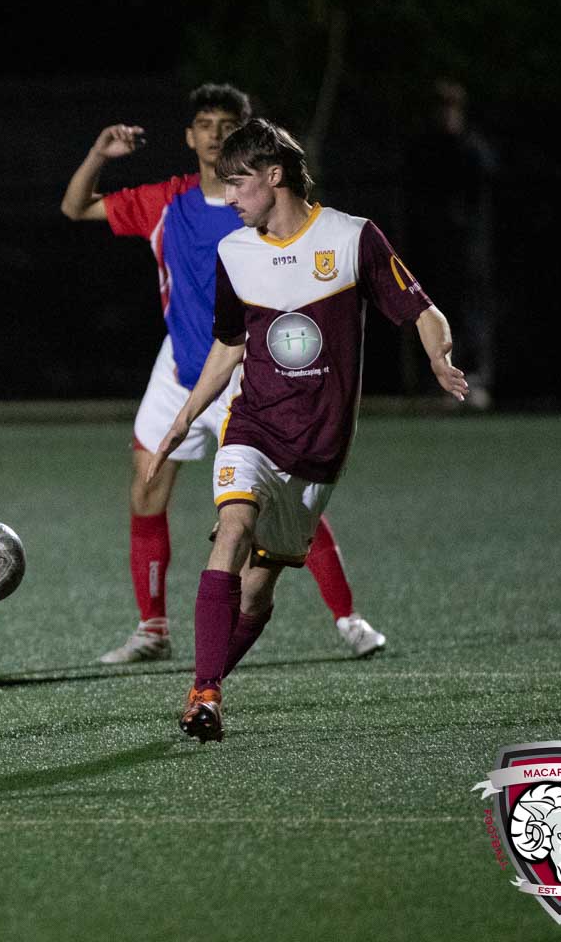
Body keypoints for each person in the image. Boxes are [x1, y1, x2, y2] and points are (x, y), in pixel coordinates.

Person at [147, 119, 468, 742]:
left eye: (237, 183)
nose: (229, 198)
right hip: (253, 424)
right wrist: (183, 419)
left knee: (256, 594)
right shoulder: (234, 253)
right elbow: (229, 345)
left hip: (319, 447)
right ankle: (207, 693)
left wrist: (439, 356)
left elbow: (422, 309)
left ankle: (202, 688)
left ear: (274, 176)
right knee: (232, 529)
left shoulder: (351, 238)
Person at [60, 83, 388, 665]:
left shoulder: (262, 212)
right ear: (189, 136)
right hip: (179, 368)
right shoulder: (167, 202)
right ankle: (152, 628)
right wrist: (97, 155)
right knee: (146, 486)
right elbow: (75, 207)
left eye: (227, 124)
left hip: (244, 374)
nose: (214, 134)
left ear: (247, 136)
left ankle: (348, 617)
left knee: (282, 499)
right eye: (205, 124)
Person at [404, 79, 497, 408]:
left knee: (471, 310)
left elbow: (485, 179)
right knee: (435, 313)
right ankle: (439, 381)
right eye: (441, 108)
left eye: (451, 108)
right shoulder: (425, 150)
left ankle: (474, 379)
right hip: (434, 249)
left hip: (468, 250)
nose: (446, 115)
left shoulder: (471, 147)